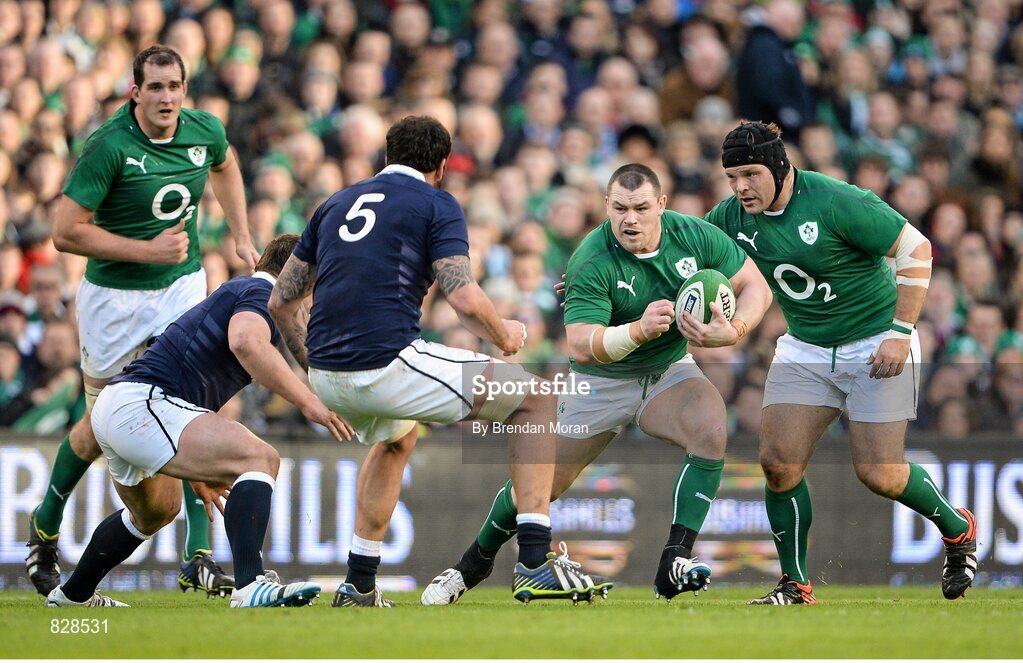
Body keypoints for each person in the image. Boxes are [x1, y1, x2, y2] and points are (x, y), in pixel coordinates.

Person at [269, 115, 594, 607]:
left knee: (397, 438)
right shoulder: (436, 203)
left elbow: (280, 302)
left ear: (386, 157)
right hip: (387, 361)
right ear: (441, 166)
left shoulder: (333, 204)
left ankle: (358, 583)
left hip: (327, 373)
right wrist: (504, 334)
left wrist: (315, 366)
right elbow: (462, 297)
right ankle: (532, 563)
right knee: (536, 400)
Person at [420, 163, 773, 606]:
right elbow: (582, 345)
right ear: (606, 205)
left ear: (661, 206)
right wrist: (639, 331)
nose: (630, 219)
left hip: (667, 371)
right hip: (600, 380)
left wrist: (734, 329)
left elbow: (754, 284)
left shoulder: (693, 234)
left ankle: (675, 558)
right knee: (540, 487)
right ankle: (473, 562)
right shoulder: (592, 256)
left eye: (642, 208)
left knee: (711, 429)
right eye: (620, 208)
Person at [704, 120, 976, 604]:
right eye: (732, 178)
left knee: (880, 473)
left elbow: (916, 248)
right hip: (805, 346)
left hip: (877, 341)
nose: (740, 187)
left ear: (777, 166)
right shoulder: (730, 216)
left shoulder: (834, 200)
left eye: (749, 174)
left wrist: (900, 333)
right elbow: (683, 256)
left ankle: (958, 529)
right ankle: (795, 584)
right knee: (777, 465)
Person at [27, 45, 260, 599]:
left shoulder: (203, 130)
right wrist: (146, 251)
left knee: (196, 405)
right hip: (113, 302)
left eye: (174, 86)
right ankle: (44, 523)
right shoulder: (109, 148)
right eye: (154, 87)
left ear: (185, 89)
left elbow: (224, 164)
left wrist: (242, 232)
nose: (165, 97)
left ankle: (197, 555)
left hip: (179, 289)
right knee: (103, 429)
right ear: (135, 92)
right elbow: (65, 232)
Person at [45, 235, 353, 608]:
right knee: (261, 458)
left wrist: (195, 468)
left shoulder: (242, 291)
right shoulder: (262, 293)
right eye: (314, 283)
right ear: (299, 276)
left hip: (126, 406)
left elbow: (195, 384)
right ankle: (250, 585)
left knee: (155, 512)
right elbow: (245, 342)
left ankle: (72, 594)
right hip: (144, 404)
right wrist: (308, 402)